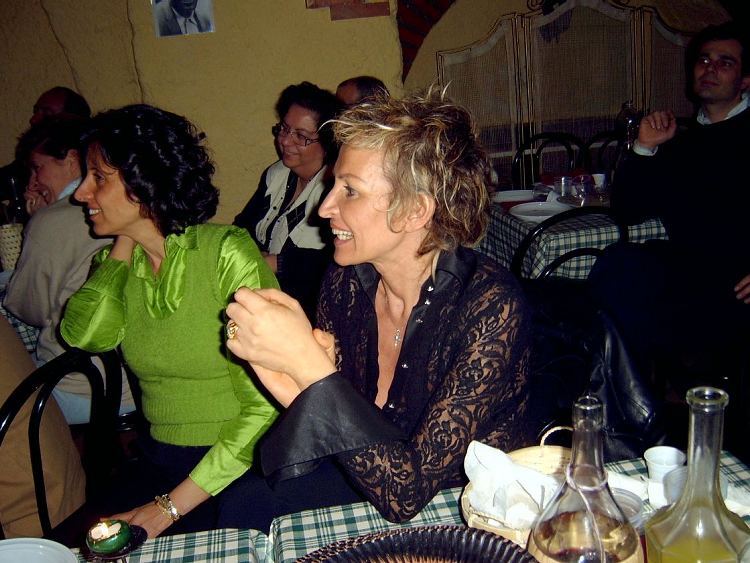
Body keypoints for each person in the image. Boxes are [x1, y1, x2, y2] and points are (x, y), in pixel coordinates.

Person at [222, 89, 534, 530]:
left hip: (466, 506)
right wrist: (285, 373)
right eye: (334, 184)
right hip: (371, 471)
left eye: (349, 190)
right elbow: (339, 419)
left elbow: (407, 494)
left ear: (415, 211)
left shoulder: (491, 306)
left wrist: (310, 370)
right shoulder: (346, 281)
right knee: (243, 506)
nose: (325, 207)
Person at [59, 104, 279, 538]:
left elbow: (266, 406)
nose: (80, 193)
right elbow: (86, 336)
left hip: (236, 467)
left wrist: (168, 509)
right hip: (158, 459)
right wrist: (125, 241)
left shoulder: (224, 253)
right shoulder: (116, 266)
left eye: (98, 178)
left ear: (143, 182)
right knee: (80, 545)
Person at [591, 22, 750, 389]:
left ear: (745, 80)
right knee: (619, 265)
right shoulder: (681, 140)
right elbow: (627, 211)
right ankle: (620, 394)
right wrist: (645, 147)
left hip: (738, 283)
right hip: (693, 274)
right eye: (703, 60)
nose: (709, 68)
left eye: (725, 62)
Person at [2, 116, 132, 424]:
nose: (31, 183)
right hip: (135, 387)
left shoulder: (59, 219)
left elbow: (27, 308)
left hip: (82, 387)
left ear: (72, 160)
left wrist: (38, 225)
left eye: (37, 168)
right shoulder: (127, 211)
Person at [234, 82, 340, 321]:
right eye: (284, 129)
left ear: (327, 143)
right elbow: (243, 227)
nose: (285, 141)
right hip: (264, 296)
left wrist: (277, 263)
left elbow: (334, 264)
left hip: (309, 311)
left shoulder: (334, 191)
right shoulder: (276, 174)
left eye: (301, 136)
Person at [0, 86, 91, 212]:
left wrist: (42, 217)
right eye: (36, 111)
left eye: (47, 113)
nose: (33, 119)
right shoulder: (31, 161)